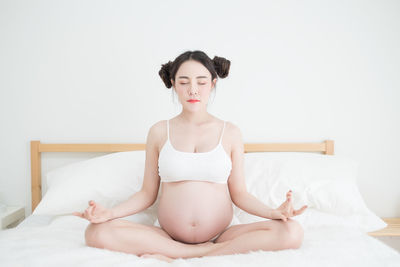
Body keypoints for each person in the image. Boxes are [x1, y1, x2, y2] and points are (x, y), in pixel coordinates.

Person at [73, 50, 308, 262]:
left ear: (213, 84)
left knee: (292, 231)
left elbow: (240, 194)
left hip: (221, 234)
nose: (193, 90)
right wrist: (109, 213)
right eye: (184, 82)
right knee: (96, 232)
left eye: (201, 81)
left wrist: (273, 212)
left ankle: (182, 254)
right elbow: (147, 194)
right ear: (174, 84)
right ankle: (195, 253)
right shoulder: (158, 131)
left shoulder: (231, 133)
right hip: (168, 235)